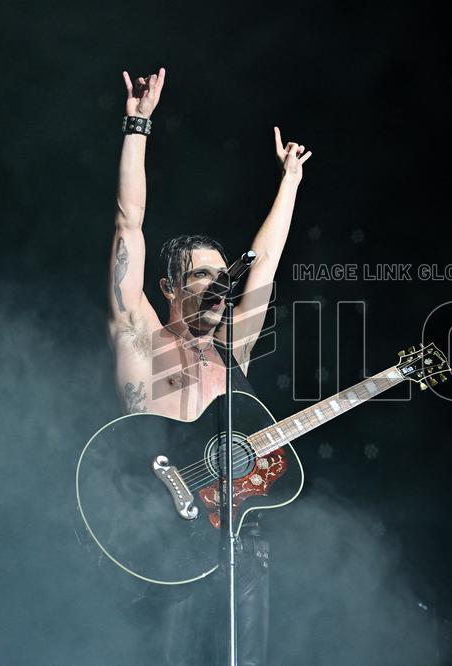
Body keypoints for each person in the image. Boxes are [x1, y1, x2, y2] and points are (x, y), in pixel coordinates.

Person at [105, 66, 310, 665]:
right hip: (153, 541)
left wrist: (291, 180)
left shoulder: (233, 349)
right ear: (169, 288)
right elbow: (129, 225)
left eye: (223, 279)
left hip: (235, 553)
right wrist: (137, 124)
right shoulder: (140, 334)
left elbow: (265, 263)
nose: (220, 289)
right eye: (201, 277)